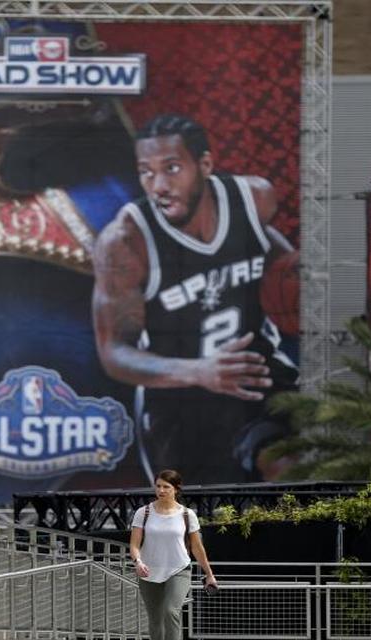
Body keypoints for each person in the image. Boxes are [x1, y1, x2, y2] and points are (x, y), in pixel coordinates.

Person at [91, 114, 299, 483]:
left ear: (205, 164)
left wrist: (295, 285)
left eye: (171, 168)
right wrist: (200, 371)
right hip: (180, 398)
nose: (159, 185)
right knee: (202, 522)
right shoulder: (125, 241)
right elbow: (114, 353)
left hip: (258, 374)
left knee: (288, 470)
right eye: (146, 172)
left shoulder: (253, 199)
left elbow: (274, 255)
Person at [129, 469, 217, 640]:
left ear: (176, 489)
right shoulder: (143, 512)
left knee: (171, 610)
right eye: (158, 486)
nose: (161, 490)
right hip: (149, 572)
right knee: (155, 620)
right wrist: (138, 562)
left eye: (166, 487)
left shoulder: (187, 514)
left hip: (179, 569)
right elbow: (134, 544)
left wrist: (209, 574)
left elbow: (197, 548)